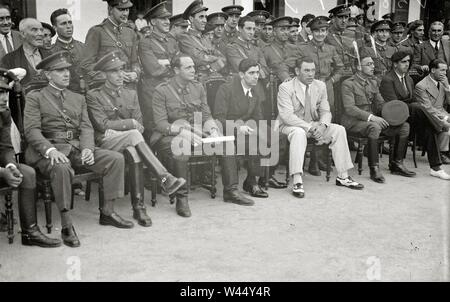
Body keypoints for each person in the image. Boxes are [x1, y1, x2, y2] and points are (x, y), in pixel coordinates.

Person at [24, 51, 134, 248]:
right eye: (60, 71)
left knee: (115, 158)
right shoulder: (36, 98)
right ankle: (67, 226)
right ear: (48, 74)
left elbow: (86, 127)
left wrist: (88, 149)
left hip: (75, 147)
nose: (66, 74)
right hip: (47, 151)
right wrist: (50, 151)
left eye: (67, 69)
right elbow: (31, 131)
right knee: (62, 167)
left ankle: (107, 212)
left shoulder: (78, 98)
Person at [86, 51, 186, 227]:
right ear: (104, 74)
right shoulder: (94, 95)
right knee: (133, 135)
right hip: (106, 141)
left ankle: (139, 207)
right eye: (114, 71)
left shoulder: (131, 93)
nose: (120, 75)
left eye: (122, 70)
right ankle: (164, 177)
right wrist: (128, 124)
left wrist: (121, 127)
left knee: (134, 151)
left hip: (130, 141)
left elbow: (140, 124)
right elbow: (102, 125)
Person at [151, 54, 255, 217]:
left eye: (193, 66)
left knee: (225, 143)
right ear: (176, 70)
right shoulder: (161, 91)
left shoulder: (198, 87)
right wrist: (182, 132)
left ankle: (231, 191)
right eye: (188, 67)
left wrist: (213, 128)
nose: (193, 70)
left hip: (198, 132)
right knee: (181, 147)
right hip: (170, 136)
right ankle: (182, 197)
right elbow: (160, 124)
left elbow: (206, 115)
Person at [278, 57, 364, 198]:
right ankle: (297, 180)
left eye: (313, 70)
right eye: (306, 70)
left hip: (313, 124)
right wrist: (310, 128)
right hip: (289, 126)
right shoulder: (285, 87)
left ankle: (343, 176)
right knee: (299, 133)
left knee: (339, 130)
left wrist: (323, 126)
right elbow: (287, 116)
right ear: (297, 71)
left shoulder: (320, 86)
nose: (311, 74)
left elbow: (325, 111)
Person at [0, 67, 61, 248]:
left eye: (5, 92)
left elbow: (5, 148)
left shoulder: (3, 114)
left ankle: (30, 232)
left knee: (27, 172)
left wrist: (10, 165)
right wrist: (3, 172)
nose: (4, 97)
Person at [341, 53, 416, 183]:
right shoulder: (348, 84)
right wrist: (372, 117)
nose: (373, 66)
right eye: (369, 64)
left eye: (373, 64)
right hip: (353, 122)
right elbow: (350, 109)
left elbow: (381, 104)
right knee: (374, 127)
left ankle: (397, 164)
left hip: (371, 120)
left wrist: (394, 114)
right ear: (359, 67)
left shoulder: (373, 82)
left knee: (404, 126)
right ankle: (374, 168)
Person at [380, 51, 450, 178]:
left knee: (428, 127)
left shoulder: (408, 78)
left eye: (408, 61)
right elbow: (394, 104)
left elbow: (413, 99)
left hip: (409, 113)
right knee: (417, 107)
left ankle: (436, 167)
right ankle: (439, 124)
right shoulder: (388, 79)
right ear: (395, 64)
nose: (407, 64)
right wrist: (413, 105)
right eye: (403, 62)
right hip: (394, 114)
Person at [214, 59, 268, 198]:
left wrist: (258, 129)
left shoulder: (254, 91)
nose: (256, 76)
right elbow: (218, 118)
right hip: (227, 130)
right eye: (251, 73)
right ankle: (251, 183)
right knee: (254, 142)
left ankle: (260, 177)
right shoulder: (226, 89)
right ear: (241, 74)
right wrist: (238, 127)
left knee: (272, 136)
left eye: (257, 72)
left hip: (246, 130)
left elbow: (258, 117)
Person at [298, 16, 344, 175]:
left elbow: (340, 68)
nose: (320, 34)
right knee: (308, 121)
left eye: (323, 30)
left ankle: (317, 162)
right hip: (308, 88)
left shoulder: (331, 49)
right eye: (317, 30)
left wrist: (331, 80)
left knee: (324, 121)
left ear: (326, 31)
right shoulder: (303, 48)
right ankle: (306, 160)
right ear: (311, 31)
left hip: (326, 88)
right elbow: (294, 67)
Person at [138, 1, 179, 141]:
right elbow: (153, 69)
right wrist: (172, 65)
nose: (167, 22)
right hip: (153, 90)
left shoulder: (172, 41)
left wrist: (166, 63)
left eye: (168, 18)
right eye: (163, 19)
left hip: (172, 89)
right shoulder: (145, 42)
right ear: (153, 22)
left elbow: (179, 64)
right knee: (155, 129)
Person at [82, 0, 140, 89]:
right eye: (121, 9)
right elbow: (86, 65)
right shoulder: (97, 31)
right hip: (105, 89)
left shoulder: (130, 32)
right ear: (110, 9)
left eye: (127, 9)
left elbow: (135, 62)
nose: (125, 13)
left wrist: (135, 73)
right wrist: (109, 76)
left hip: (128, 89)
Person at [415, 58, 450, 178]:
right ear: (433, 70)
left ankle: (444, 152)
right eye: (442, 70)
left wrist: (447, 87)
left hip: (442, 112)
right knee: (446, 127)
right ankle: (442, 153)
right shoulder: (421, 85)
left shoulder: (442, 82)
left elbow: (449, 103)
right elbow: (427, 108)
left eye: (446, 70)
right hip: (430, 116)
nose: (444, 73)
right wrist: (445, 117)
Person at [178, 0, 226, 82]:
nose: (205, 20)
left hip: (211, 80)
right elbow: (198, 59)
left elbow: (223, 58)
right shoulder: (184, 38)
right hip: (195, 82)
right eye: (201, 17)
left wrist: (211, 68)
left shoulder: (205, 38)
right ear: (191, 18)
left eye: (205, 17)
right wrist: (215, 59)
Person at [1, 18, 49, 87]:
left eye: (41, 30)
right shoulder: (9, 59)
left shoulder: (50, 55)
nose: (40, 34)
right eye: (34, 30)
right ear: (23, 34)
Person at [49, 8, 87, 94]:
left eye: (70, 22)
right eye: (63, 23)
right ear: (55, 28)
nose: (68, 26)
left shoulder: (83, 47)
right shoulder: (51, 52)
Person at [263, 16, 299, 83]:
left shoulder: (294, 48)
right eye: (282, 29)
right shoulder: (266, 50)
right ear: (274, 32)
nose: (286, 32)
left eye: (287, 29)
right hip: (274, 88)